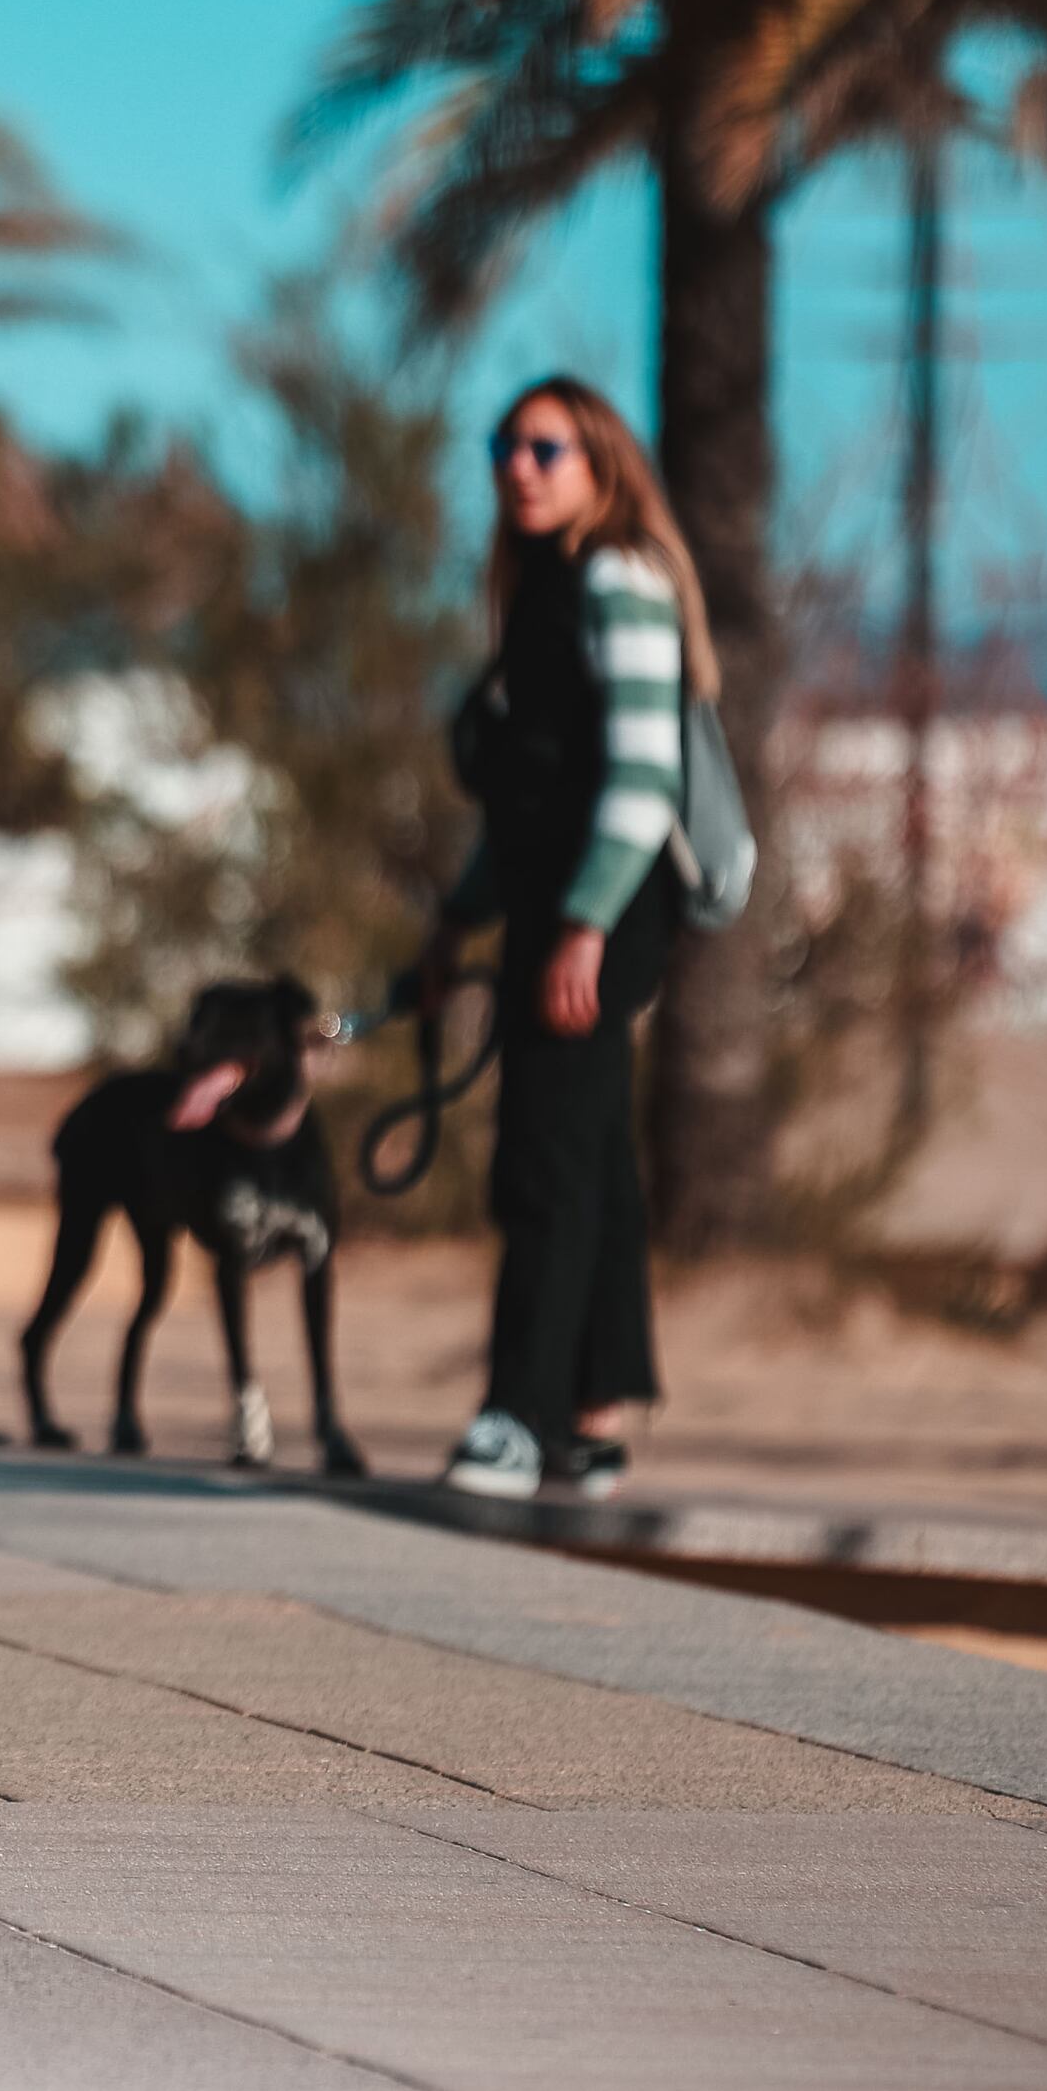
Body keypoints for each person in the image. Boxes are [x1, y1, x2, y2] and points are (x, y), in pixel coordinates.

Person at [415, 375, 710, 1500]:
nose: (516, 468)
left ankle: (516, 1414)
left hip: (604, 909)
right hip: (551, 904)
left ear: (599, 464)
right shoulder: (540, 590)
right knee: (588, 1158)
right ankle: (588, 1417)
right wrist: (454, 921)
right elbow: (527, 799)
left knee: (543, 1157)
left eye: (543, 449)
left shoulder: (619, 579)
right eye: (502, 446)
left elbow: (641, 779)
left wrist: (583, 927)